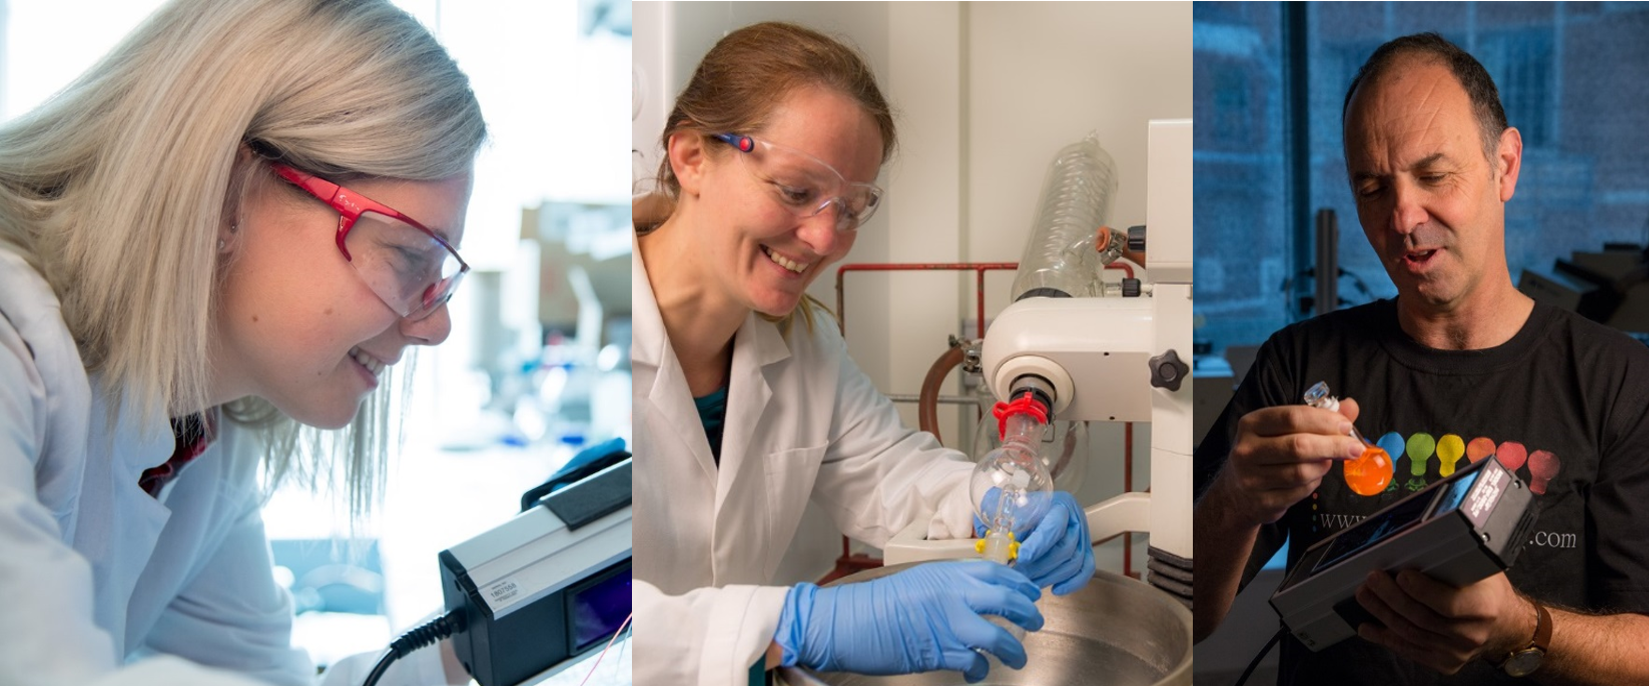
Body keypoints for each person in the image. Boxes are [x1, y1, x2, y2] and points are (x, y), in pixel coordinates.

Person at [0, 1, 486, 684]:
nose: (435, 325)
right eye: (408, 256)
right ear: (229, 192)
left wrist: (473, 646)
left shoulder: (200, 440)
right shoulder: (11, 344)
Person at [632, 21, 1097, 686]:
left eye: (850, 208)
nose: (825, 237)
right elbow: (587, 624)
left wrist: (991, 499)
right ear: (691, 156)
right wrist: (799, 625)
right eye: (796, 190)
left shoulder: (803, 341)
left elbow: (885, 471)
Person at [1193, 33, 1649, 684]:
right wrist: (1235, 501)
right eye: (1372, 187)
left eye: (1433, 175)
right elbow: (1181, 615)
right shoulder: (1298, 364)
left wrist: (1521, 628)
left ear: (1505, 165)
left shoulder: (1617, 382)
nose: (1402, 216)